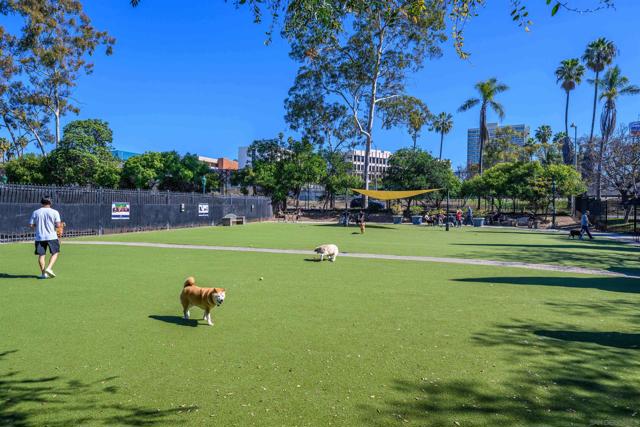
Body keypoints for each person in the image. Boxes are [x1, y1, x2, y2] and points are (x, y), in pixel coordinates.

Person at [29, 197, 62, 279]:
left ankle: (43, 274)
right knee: (55, 253)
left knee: (41, 255)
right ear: (50, 203)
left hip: (40, 236)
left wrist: (39, 226)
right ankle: (49, 268)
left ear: (41, 203)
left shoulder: (35, 212)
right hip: (52, 236)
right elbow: (58, 225)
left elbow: (31, 225)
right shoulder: (55, 212)